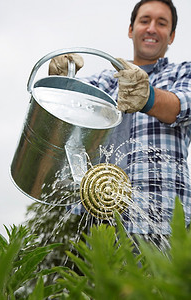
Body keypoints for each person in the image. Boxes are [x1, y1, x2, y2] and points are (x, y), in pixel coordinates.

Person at [49, 0, 191, 246]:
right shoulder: (106, 81)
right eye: (144, 20)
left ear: (172, 35)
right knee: (104, 284)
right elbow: (70, 108)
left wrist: (149, 97)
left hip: (165, 221)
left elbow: (182, 105)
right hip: (102, 222)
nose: (151, 28)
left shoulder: (182, 73)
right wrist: (62, 80)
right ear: (130, 29)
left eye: (162, 23)